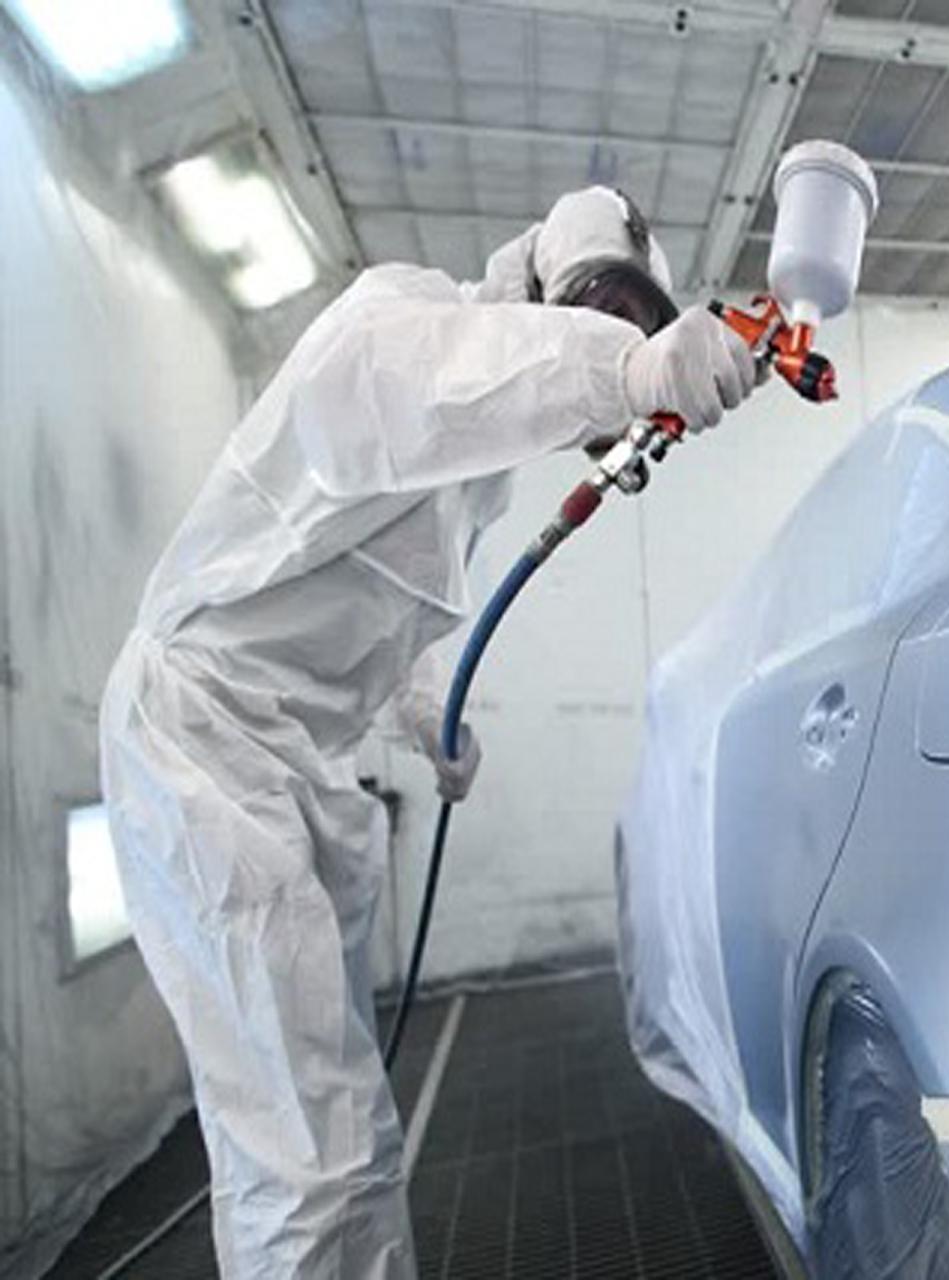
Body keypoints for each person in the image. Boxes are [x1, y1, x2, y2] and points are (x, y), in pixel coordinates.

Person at [97, 187, 756, 1277]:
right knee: (307, 1157)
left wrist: (424, 719)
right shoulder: (401, 320)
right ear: (532, 289)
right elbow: (403, 389)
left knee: (344, 1125)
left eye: (634, 321)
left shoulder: (476, 469)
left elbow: (367, 600)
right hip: (203, 741)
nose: (611, 336)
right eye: (596, 310)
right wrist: (626, 369)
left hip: (291, 755)